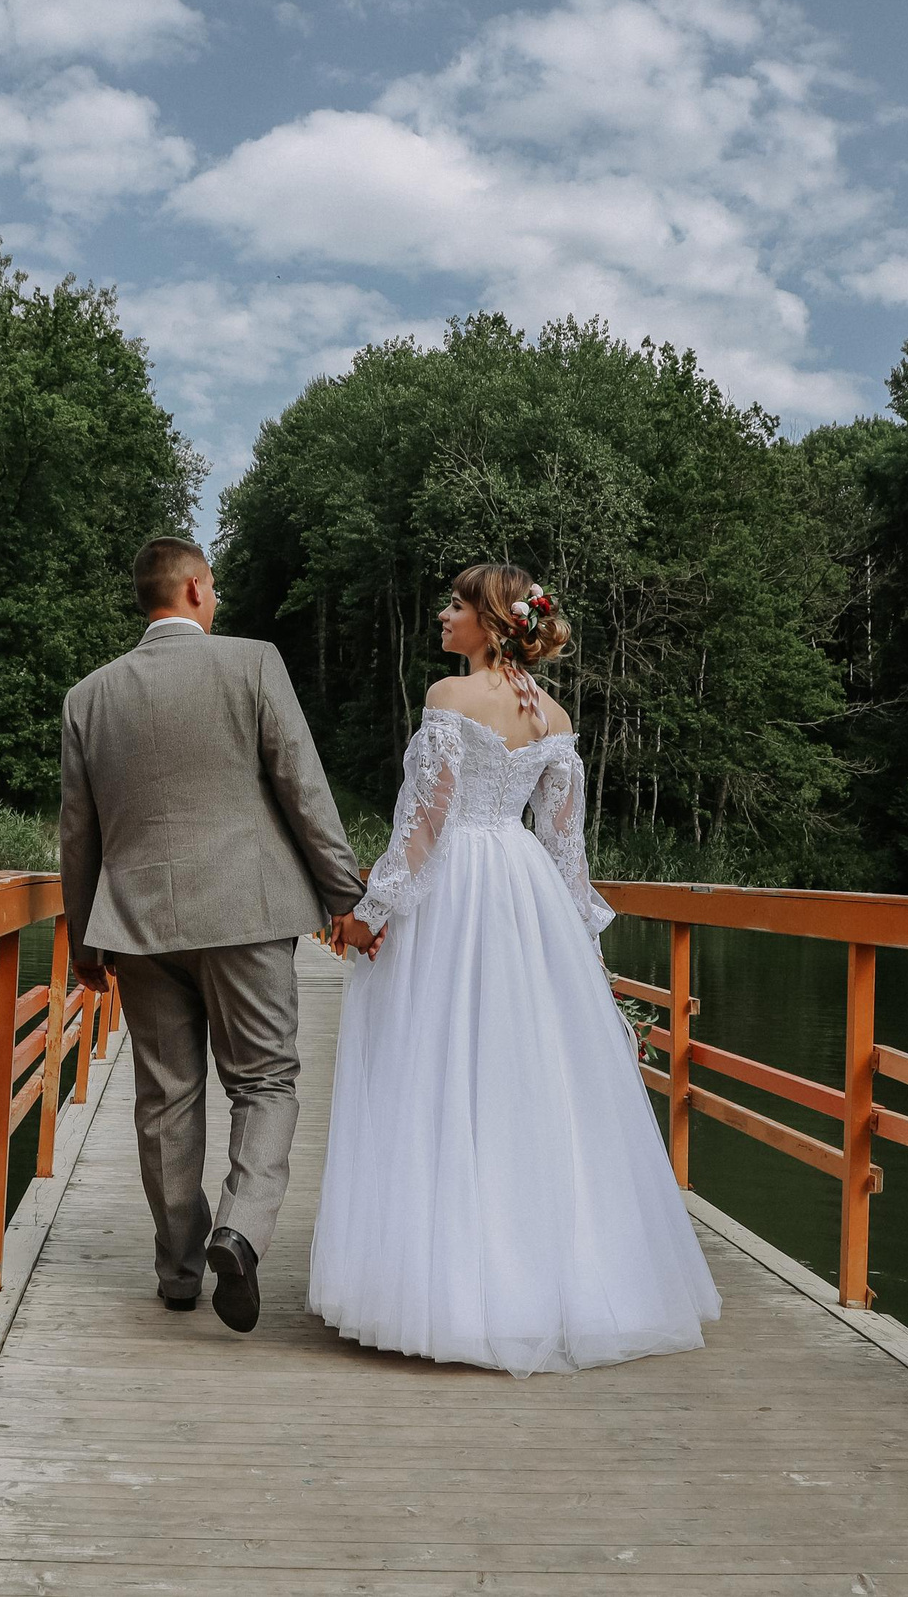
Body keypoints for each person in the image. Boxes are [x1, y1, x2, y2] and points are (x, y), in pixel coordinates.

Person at [311, 563, 721, 1375]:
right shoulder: (554, 716)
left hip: (454, 892)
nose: (442, 615)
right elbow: (567, 851)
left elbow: (423, 828)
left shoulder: (447, 700)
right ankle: (546, 1283)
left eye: (456, 605)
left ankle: (447, 1289)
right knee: (525, 1079)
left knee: (436, 1070)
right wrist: (584, 957)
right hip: (524, 892)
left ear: (493, 624)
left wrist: (368, 915)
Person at [60, 537, 378, 1332]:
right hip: (248, 912)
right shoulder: (253, 663)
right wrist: (344, 893)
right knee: (264, 1081)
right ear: (198, 590)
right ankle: (240, 1229)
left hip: (134, 923)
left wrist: (82, 943)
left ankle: (178, 1271)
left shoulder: (87, 697)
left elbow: (78, 833)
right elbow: (302, 786)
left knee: (165, 1098)